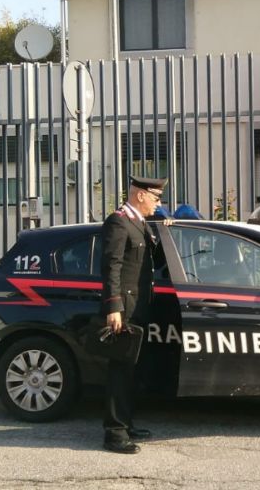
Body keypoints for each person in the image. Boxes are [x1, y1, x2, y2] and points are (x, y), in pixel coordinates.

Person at [99, 174, 167, 454]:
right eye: (155, 197)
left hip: (138, 307)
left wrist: (165, 231)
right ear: (140, 195)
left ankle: (126, 424)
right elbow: (111, 266)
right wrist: (113, 307)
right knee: (120, 372)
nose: (158, 203)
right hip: (124, 310)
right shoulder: (118, 222)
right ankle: (114, 434)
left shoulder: (140, 223)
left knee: (132, 372)